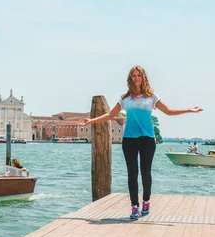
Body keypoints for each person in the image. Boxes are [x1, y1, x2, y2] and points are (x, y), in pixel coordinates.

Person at [79, 65, 203, 220]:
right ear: (130, 78)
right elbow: (110, 115)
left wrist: (189, 110)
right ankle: (134, 206)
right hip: (129, 140)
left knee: (145, 172)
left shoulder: (151, 96)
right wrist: (90, 121)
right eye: (133, 76)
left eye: (139, 75)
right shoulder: (125, 98)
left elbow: (169, 111)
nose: (136, 78)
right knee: (132, 174)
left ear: (143, 77)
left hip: (147, 140)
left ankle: (146, 201)